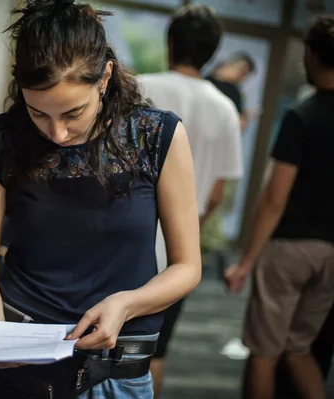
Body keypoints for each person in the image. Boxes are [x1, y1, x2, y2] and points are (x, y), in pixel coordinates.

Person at [0, 1, 202, 398]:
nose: (57, 134)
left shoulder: (155, 137)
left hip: (115, 370)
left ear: (104, 76)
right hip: (20, 355)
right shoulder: (0, 142)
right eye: (38, 113)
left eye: (73, 113)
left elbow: (187, 267)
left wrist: (127, 304)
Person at [136, 5, 243, 397]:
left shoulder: (138, 87)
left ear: (170, 43)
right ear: (212, 53)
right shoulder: (226, 109)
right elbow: (216, 194)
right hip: (180, 257)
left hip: (120, 242)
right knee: (155, 352)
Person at [225, 15, 334, 399]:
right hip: (332, 254)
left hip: (291, 248)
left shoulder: (301, 116)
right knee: (299, 348)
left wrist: (246, 261)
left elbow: (275, 198)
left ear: (311, 54)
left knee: (264, 353)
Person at [206, 52, 256, 131]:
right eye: (242, 72)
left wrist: (244, 118)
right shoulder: (205, 81)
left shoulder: (235, 92)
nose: (243, 78)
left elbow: (238, 125)